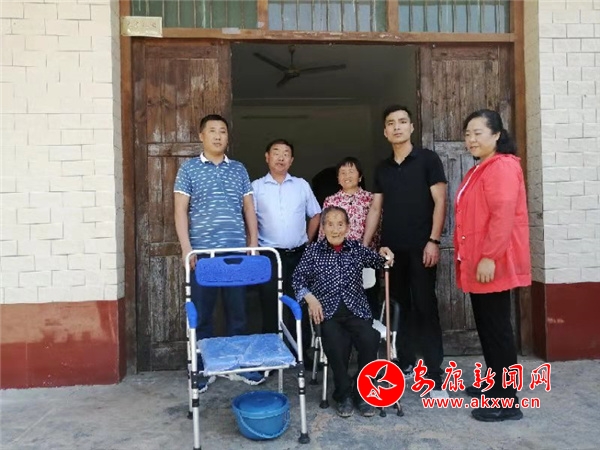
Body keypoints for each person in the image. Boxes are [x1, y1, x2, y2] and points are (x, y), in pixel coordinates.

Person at [174, 114, 265, 392]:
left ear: (227, 137)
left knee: (238, 313)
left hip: (235, 254)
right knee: (202, 314)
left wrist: (253, 243)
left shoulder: (238, 169)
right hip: (203, 255)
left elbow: (248, 207)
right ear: (201, 136)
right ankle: (202, 367)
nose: (218, 136)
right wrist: (187, 248)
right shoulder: (189, 169)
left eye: (222, 131)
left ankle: (238, 365)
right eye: (212, 131)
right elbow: (180, 210)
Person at [363, 105, 448, 398]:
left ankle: (435, 372)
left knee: (425, 306)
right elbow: (376, 208)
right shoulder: (382, 168)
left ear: (411, 127)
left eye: (402, 122)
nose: (397, 127)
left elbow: (440, 201)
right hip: (391, 251)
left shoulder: (428, 160)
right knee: (398, 308)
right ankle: (406, 361)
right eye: (391, 123)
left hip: (422, 248)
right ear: (385, 132)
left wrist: (434, 240)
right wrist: (364, 247)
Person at [456, 109, 531, 422]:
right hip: (479, 262)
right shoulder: (482, 168)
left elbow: (502, 216)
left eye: (478, 133)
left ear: (497, 135)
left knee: (498, 330)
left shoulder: (502, 166)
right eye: (468, 134)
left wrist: (489, 256)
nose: (471, 140)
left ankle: (507, 401)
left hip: (492, 262)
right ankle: (495, 384)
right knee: (487, 327)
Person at [293, 206, 394, 418]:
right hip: (328, 313)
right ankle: (343, 393)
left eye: (340, 224)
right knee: (335, 343)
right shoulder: (313, 251)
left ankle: (361, 389)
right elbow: (298, 279)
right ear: (323, 228)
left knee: (370, 338)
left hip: (356, 311)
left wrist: (386, 253)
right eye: (330, 224)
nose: (335, 229)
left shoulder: (356, 248)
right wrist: (310, 298)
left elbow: (379, 261)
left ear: (348, 227)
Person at [252, 139, 321, 358]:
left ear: (291, 160)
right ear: (267, 157)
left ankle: (301, 352)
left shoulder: (301, 185)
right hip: (270, 255)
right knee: (269, 303)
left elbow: (316, 214)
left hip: (298, 254)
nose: (281, 157)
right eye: (276, 152)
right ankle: (271, 354)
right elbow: (249, 219)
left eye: (286, 153)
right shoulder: (256, 187)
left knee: (300, 301)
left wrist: (308, 241)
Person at [320, 157, 381, 316]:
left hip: (366, 258)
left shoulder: (371, 199)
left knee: (369, 298)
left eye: (351, 171)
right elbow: (323, 232)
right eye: (343, 172)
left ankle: (371, 327)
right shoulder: (330, 201)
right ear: (338, 179)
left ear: (360, 177)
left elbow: (379, 228)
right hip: (337, 260)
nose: (347, 175)